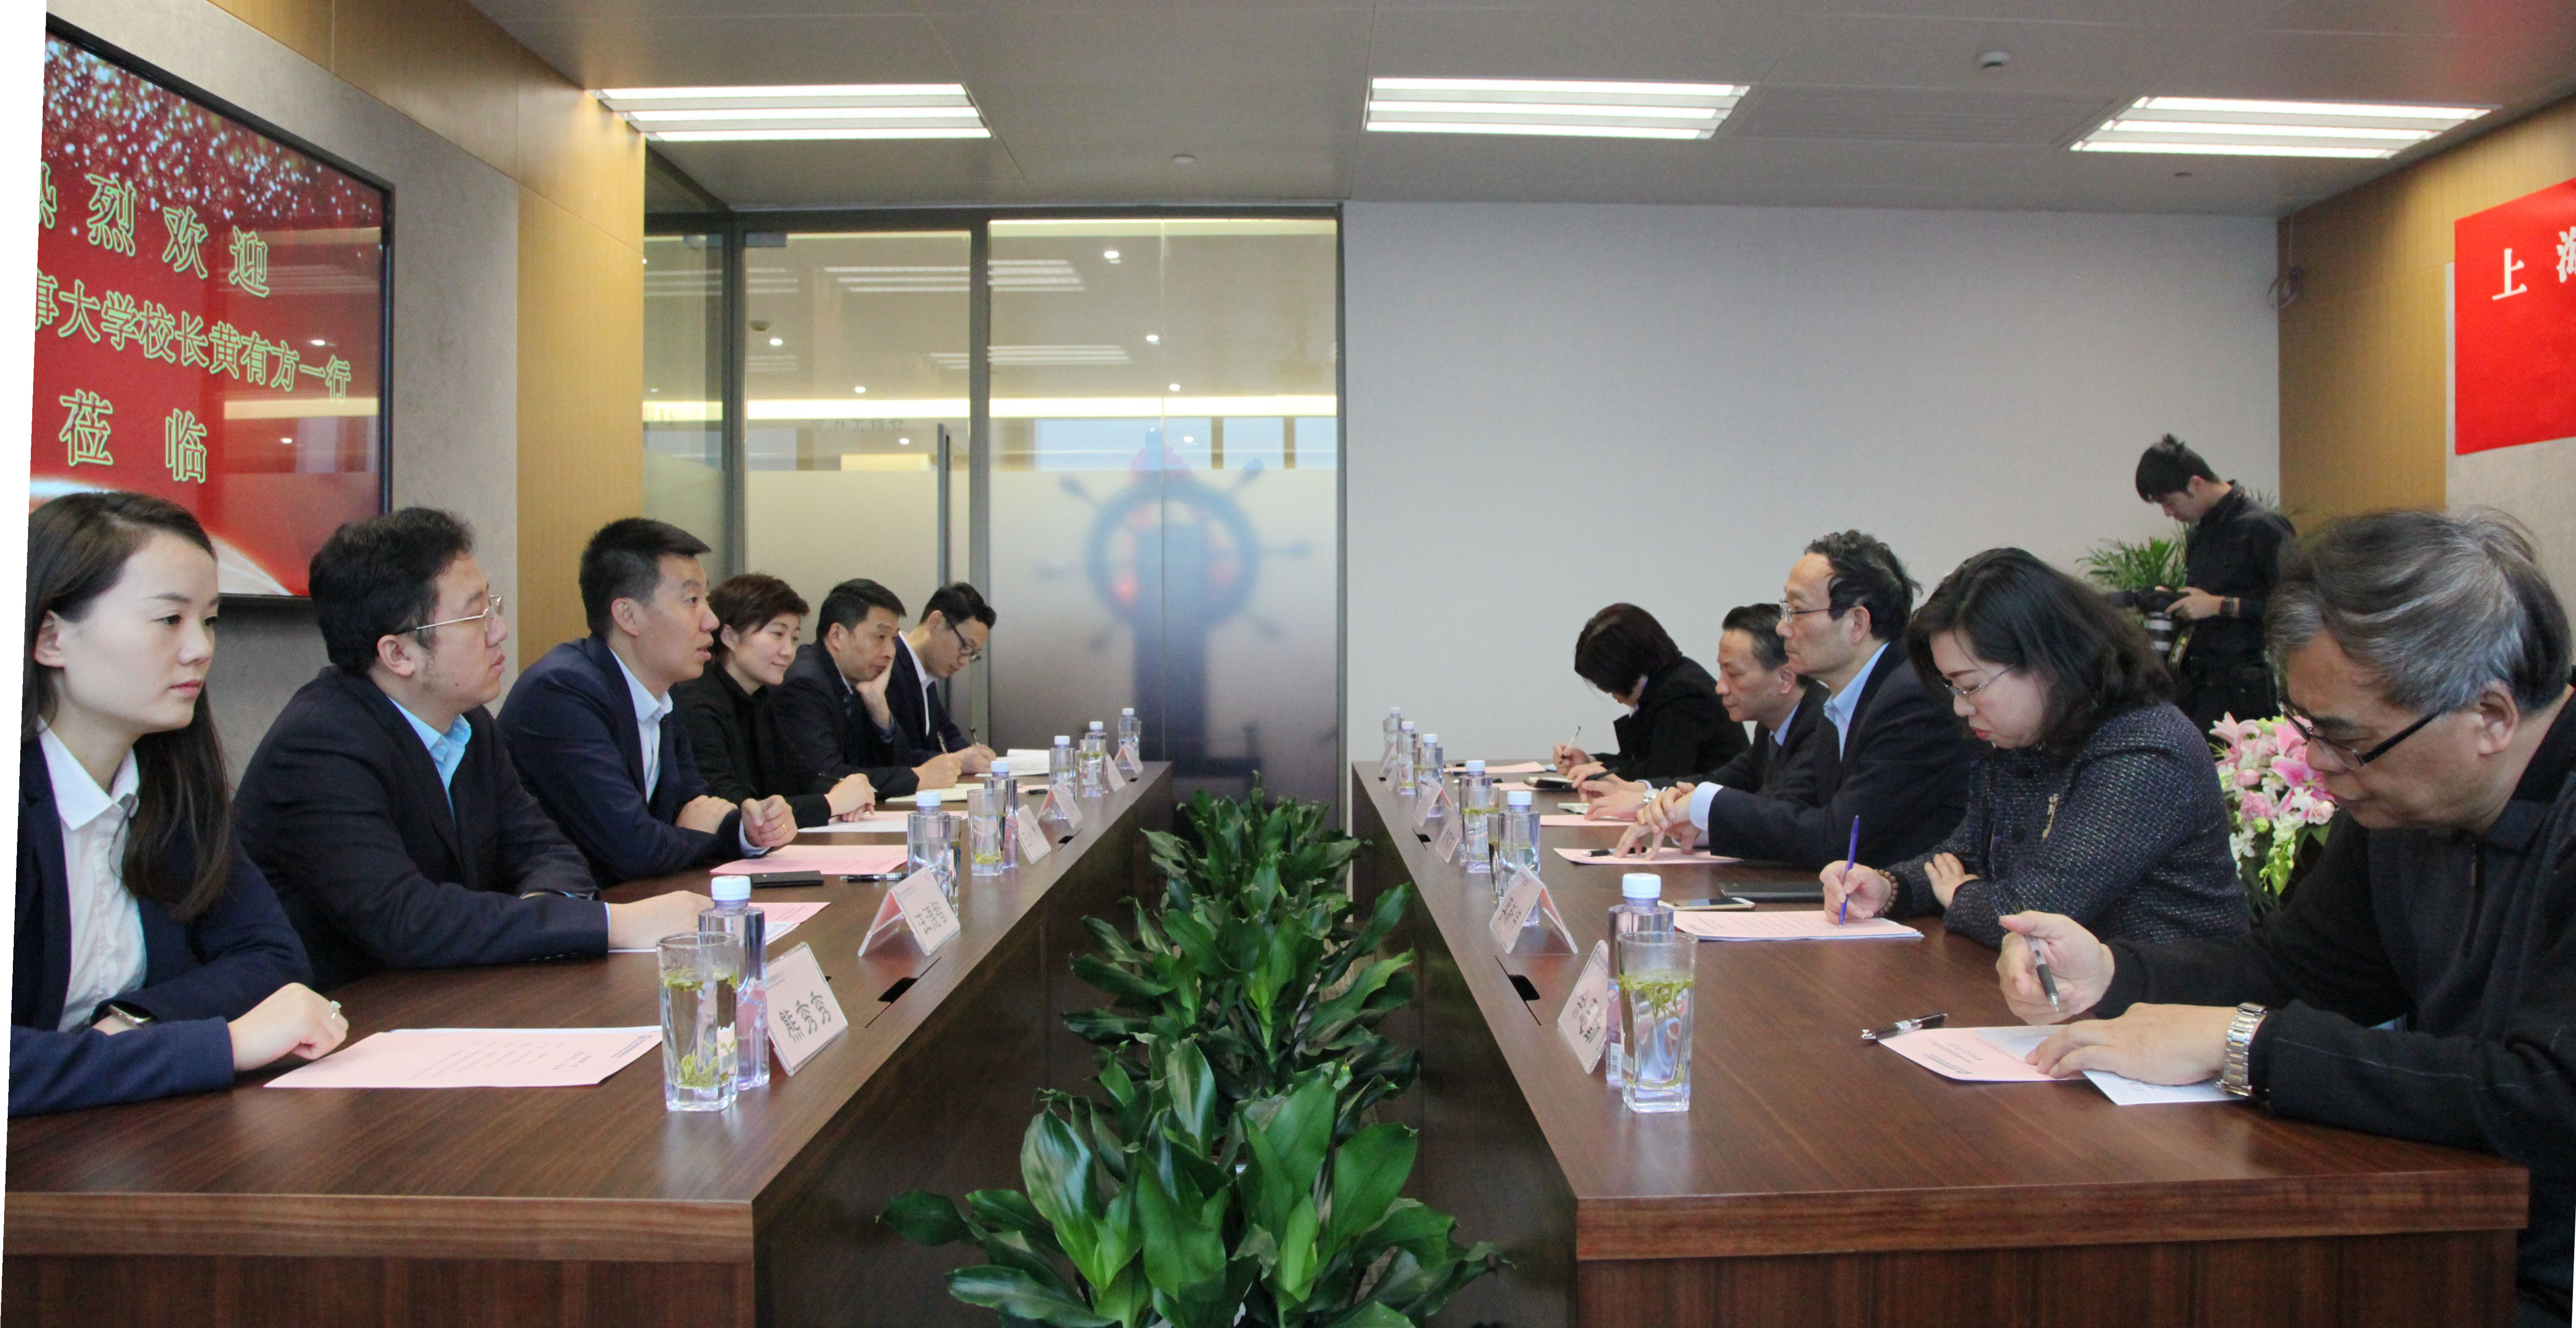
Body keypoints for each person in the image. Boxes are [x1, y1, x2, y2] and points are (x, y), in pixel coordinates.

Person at [1996, 511, 2575, 1327]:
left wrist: (2248, 1045)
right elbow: (2299, 969)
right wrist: (2113, 974)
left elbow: (2546, 1096)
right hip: (2462, 1227)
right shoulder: (2404, 799)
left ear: (2491, 715)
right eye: (2306, 729)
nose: (2317, 763)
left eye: (2345, 738)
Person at [236, 510, 710, 989]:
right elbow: (405, 920)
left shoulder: (468, 723)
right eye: (476, 615)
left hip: (453, 993)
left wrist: (546, 913)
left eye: (493, 606)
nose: (498, 631)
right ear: (398, 654)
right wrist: (608, 924)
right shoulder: (320, 747)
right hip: (349, 1012)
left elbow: (545, 848)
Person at [13, 492, 345, 1115]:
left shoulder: (173, 783)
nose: (200, 648)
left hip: (116, 1133)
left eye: (209, 620)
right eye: (169, 619)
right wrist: (220, 1045)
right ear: (51, 638)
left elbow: (272, 958)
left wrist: (134, 1022)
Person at [1817, 549, 2245, 947]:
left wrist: (1962, 896)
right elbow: (1965, 856)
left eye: (1970, 686)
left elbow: (2033, 911)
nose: (1961, 707)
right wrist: (1889, 888)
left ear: (2046, 660)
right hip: (2055, 987)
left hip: (2164, 993)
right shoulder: (2028, 737)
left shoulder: (2145, 752)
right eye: (1952, 688)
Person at [1624, 532, 1975, 866]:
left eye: (1796, 610)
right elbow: (1791, 806)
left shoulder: (1912, 701)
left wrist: (1706, 804)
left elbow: (1840, 838)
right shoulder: (1841, 702)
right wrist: (1698, 822)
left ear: (1856, 623)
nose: (1783, 628)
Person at [498, 519, 796, 886]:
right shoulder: (563, 693)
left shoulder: (663, 691)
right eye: (692, 601)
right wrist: (701, 834)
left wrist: (750, 830)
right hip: (572, 909)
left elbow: (694, 804)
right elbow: (633, 848)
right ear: (628, 616)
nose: (711, 620)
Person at [1583, 603, 1824, 821]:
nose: (1720, 688)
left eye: (1734, 674)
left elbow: (1776, 813)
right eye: (1721, 672)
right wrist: (1642, 791)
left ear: (1786, 678)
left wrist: (1658, 802)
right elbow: (1720, 783)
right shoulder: (1771, 727)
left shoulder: (1823, 729)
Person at [675, 573, 879, 828]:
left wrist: (845, 789)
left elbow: (800, 777)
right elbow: (734, 809)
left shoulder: (762, 698)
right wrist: (831, 803)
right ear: (729, 637)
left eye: (794, 638)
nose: (789, 651)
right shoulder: (698, 702)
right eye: (777, 634)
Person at [2134, 435, 2299, 731]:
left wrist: (2220, 606)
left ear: (2196, 484)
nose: (2169, 514)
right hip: (2197, 684)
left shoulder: (2263, 525)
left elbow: (2298, 606)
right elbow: (2203, 601)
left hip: (2245, 689)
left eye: (2169, 502)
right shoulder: (2198, 534)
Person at [774, 579, 966, 800]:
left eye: (893, 639)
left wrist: (878, 707)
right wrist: (917, 777)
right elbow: (828, 778)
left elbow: (891, 764)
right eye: (880, 637)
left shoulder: (857, 680)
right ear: (837, 636)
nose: (890, 652)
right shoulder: (805, 684)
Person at [1550, 602, 1746, 784]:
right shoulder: (1668, 683)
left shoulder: (1683, 694)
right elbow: (1639, 761)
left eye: (1608, 686)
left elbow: (1658, 775)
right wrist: (1589, 761)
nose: (1614, 696)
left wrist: (1596, 770)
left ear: (1623, 669)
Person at [888, 581, 998, 773]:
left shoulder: (926, 674)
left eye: (972, 654)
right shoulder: (888, 668)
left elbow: (947, 735)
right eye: (965, 647)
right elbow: (890, 756)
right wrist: (957, 760)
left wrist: (973, 754)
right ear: (936, 623)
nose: (965, 661)